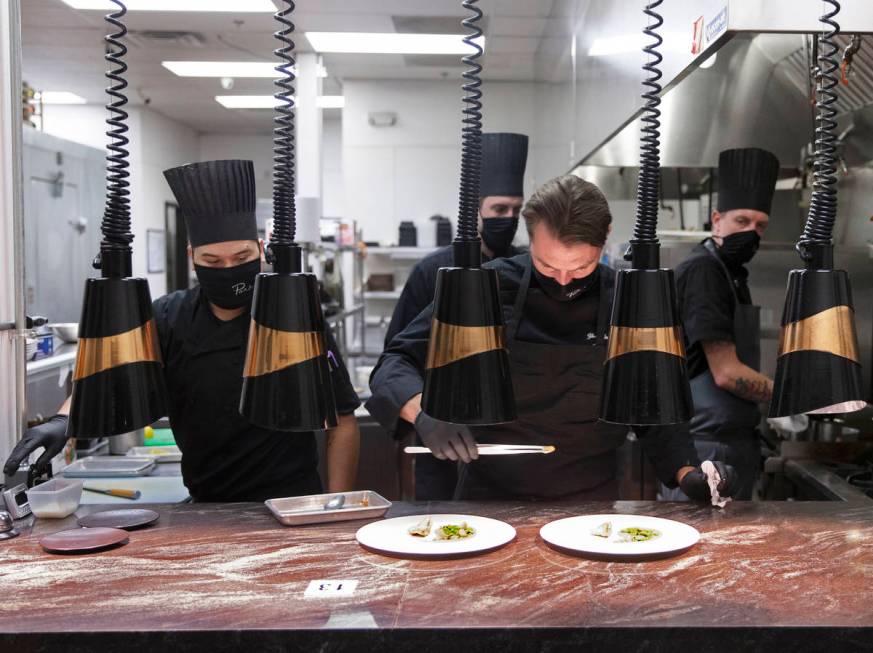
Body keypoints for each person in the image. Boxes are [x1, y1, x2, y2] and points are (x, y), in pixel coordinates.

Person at [4, 159, 361, 502]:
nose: (228, 269)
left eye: (241, 259)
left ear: (261, 250)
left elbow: (342, 421)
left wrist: (335, 509)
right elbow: (108, 376)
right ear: (192, 256)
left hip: (291, 502)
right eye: (212, 261)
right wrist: (63, 419)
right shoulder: (168, 318)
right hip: (206, 506)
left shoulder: (294, 318)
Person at [367, 174, 738, 502]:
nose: (562, 280)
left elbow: (652, 408)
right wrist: (423, 412)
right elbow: (393, 364)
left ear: (606, 236)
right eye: (547, 265)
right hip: (488, 502)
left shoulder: (630, 302)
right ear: (529, 239)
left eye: (580, 267)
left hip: (591, 506)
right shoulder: (488, 288)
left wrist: (688, 474)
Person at [383, 132, 529, 501]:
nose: (509, 218)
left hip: (508, 453)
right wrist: (424, 417)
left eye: (516, 210)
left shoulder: (524, 271)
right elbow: (394, 363)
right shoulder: (432, 272)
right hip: (442, 447)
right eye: (499, 210)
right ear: (475, 209)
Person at [662, 147, 780, 501]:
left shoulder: (732, 275)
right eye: (742, 222)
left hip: (730, 443)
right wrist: (790, 395)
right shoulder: (704, 271)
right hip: (707, 451)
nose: (752, 233)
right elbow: (726, 373)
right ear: (716, 219)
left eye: (760, 225)